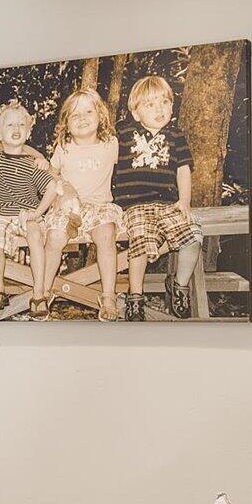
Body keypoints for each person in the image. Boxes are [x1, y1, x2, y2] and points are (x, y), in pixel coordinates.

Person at [114, 74, 202, 318]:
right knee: (141, 244)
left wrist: (184, 200)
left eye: (164, 102)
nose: (159, 109)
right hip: (135, 204)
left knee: (192, 236)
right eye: (150, 104)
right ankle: (136, 296)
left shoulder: (176, 137)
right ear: (135, 112)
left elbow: (184, 170)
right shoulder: (123, 133)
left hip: (168, 203)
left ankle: (179, 286)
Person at [48, 88, 127, 320]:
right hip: (70, 207)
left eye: (88, 111)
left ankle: (108, 296)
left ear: (100, 115)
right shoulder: (64, 148)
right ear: (66, 123)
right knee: (54, 237)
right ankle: (43, 290)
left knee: (106, 235)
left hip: (100, 205)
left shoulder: (110, 144)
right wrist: (63, 187)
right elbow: (50, 177)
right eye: (74, 114)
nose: (81, 118)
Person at [0, 100, 59, 319]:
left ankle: (38, 294)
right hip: (1, 214)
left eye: (21, 125)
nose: (16, 129)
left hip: (27, 213)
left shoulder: (31, 163)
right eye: (10, 125)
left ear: (28, 132)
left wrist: (38, 213)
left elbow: (53, 186)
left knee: (35, 233)